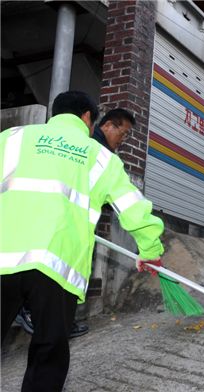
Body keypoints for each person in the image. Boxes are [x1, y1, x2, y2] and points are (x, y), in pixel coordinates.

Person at [0, 91, 165, 391]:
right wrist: (151, 249)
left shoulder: (11, 137)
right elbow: (132, 207)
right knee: (48, 353)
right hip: (55, 266)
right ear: (87, 118)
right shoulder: (99, 156)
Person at [14, 108, 137, 339]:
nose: (123, 139)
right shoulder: (94, 150)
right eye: (123, 133)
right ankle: (40, 316)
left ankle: (58, 319)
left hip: (59, 225)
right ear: (107, 125)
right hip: (64, 225)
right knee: (56, 275)